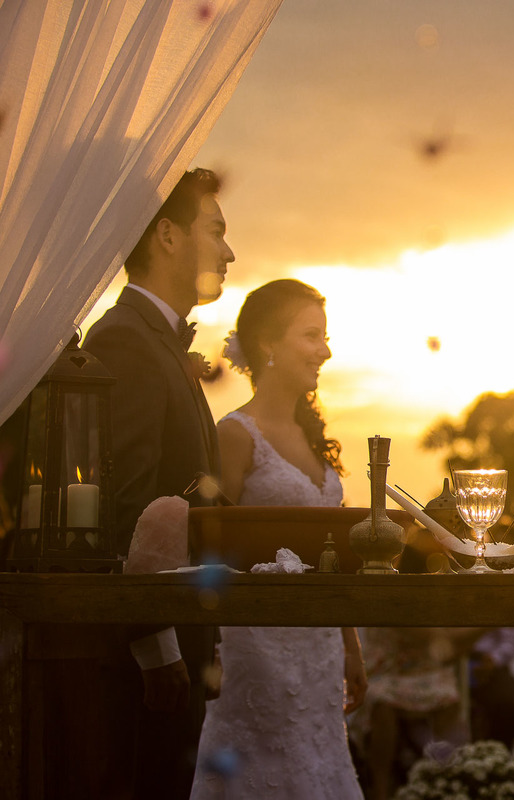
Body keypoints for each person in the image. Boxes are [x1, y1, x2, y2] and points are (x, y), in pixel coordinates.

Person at [82, 167, 234, 798]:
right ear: (167, 236)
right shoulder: (125, 341)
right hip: (149, 662)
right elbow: (126, 509)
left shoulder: (162, 346)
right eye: (217, 231)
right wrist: (157, 648)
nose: (229, 251)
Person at [190, 279, 367, 799]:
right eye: (311, 336)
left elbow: (335, 556)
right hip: (255, 651)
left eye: (326, 336)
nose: (325, 351)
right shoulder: (235, 436)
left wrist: (350, 646)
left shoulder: (314, 438)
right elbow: (208, 548)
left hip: (320, 651)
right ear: (269, 343)